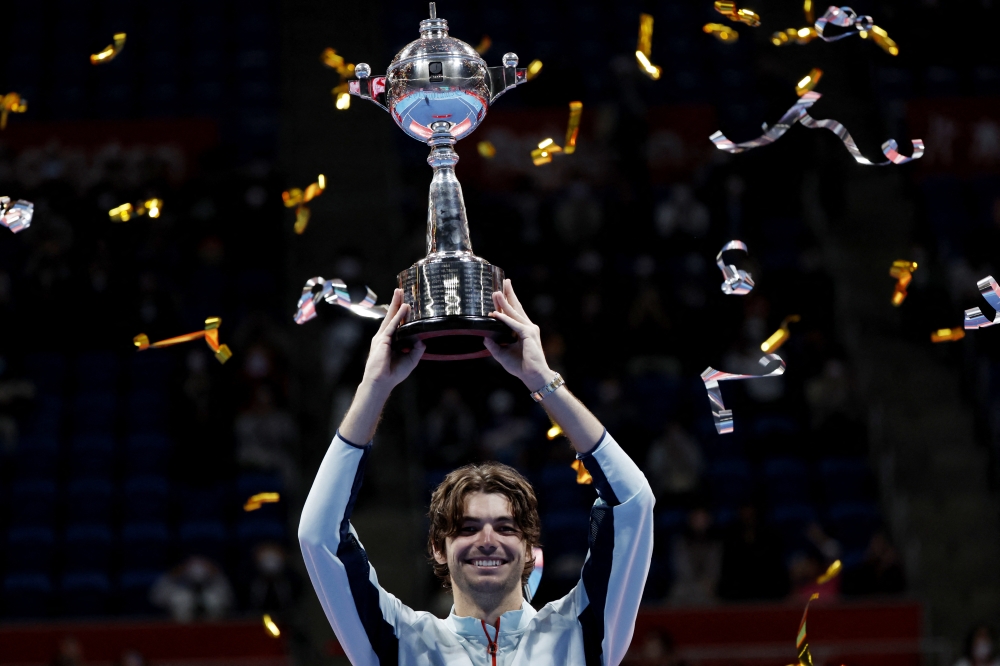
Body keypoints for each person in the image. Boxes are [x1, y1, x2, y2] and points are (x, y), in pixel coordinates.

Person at [299, 280, 655, 666]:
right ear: (438, 547)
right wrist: (374, 387)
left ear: (529, 549)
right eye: (467, 528)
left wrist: (542, 381)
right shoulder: (401, 643)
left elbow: (633, 503)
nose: (487, 540)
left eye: (505, 527)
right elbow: (319, 535)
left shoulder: (581, 633)